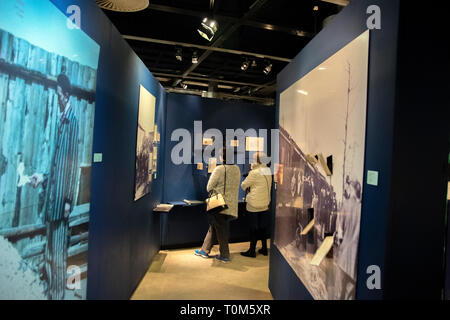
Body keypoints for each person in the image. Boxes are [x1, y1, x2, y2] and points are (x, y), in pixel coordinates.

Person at [30, 74, 79, 300]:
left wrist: (69, 200)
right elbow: (57, 165)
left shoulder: (71, 121)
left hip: (61, 203)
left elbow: (72, 164)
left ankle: (58, 295)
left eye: (59, 94)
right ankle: (52, 293)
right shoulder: (60, 120)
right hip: (52, 200)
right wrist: (42, 177)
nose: (57, 98)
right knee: (50, 252)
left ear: (66, 95)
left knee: (58, 254)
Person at [195, 147, 241, 263]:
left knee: (221, 230)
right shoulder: (237, 169)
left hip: (219, 205)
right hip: (231, 206)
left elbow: (209, 187)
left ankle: (225, 255)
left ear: (222, 157)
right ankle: (204, 250)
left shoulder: (219, 169)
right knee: (215, 226)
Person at [240, 152, 272, 258]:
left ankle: (252, 251)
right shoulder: (267, 170)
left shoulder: (254, 172)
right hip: (265, 203)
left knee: (253, 228)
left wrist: (252, 170)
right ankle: (264, 249)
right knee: (263, 227)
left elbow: (244, 185)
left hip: (253, 204)